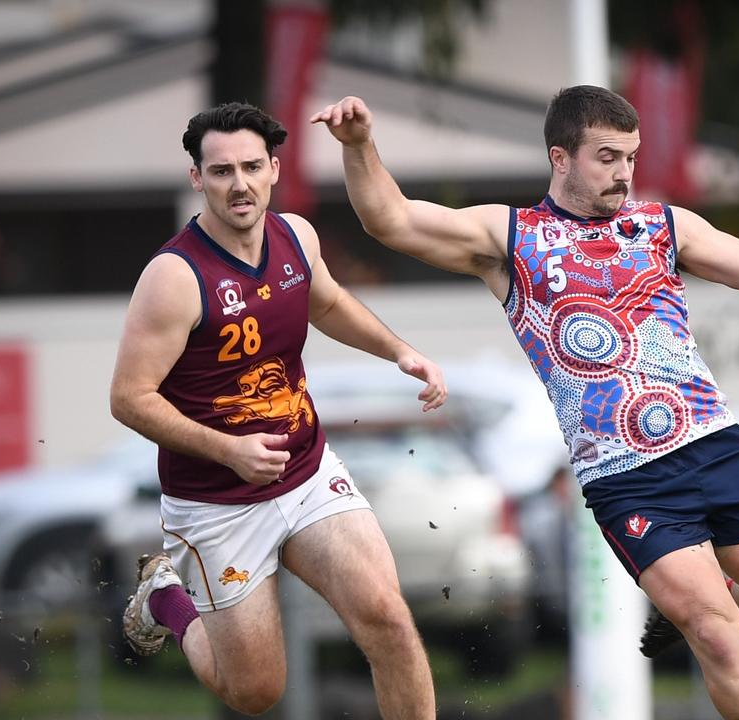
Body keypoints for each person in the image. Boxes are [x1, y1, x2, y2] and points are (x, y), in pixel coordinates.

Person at [311, 86, 739, 720]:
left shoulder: (660, 225)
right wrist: (361, 146)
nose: (623, 173)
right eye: (606, 158)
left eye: (630, 157)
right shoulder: (509, 237)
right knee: (718, 636)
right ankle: (699, 605)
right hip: (628, 478)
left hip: (716, 445)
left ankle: (711, 592)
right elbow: (389, 219)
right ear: (560, 157)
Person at [109, 102, 442, 718]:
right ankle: (165, 599)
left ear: (273, 170)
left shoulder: (296, 236)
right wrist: (227, 449)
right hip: (217, 504)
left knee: (389, 620)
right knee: (257, 693)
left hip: (307, 475)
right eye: (221, 171)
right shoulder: (174, 276)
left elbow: (329, 302)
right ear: (197, 179)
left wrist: (400, 350)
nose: (238, 184)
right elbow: (128, 399)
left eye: (251, 167)